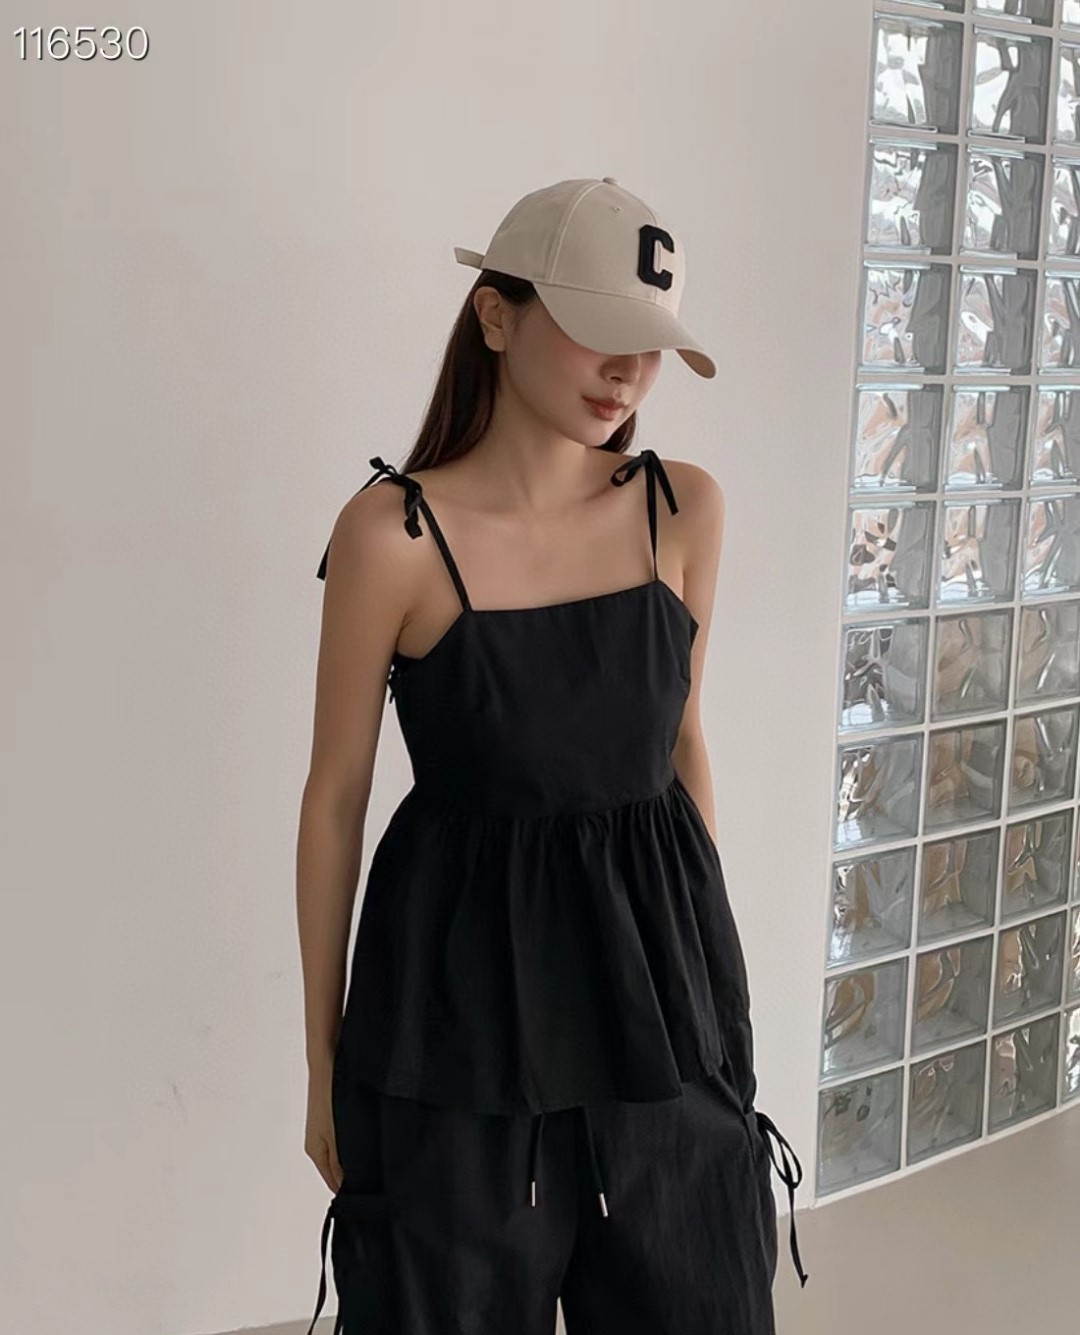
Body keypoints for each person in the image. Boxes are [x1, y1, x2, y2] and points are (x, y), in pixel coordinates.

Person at [296, 176, 808, 1335]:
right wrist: (322, 1061)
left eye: (651, 345)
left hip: (660, 1002)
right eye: (597, 329)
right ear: (496, 315)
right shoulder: (392, 537)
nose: (628, 373)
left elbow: (681, 742)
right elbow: (334, 799)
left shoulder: (684, 509)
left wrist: (714, 994)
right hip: (456, 1013)